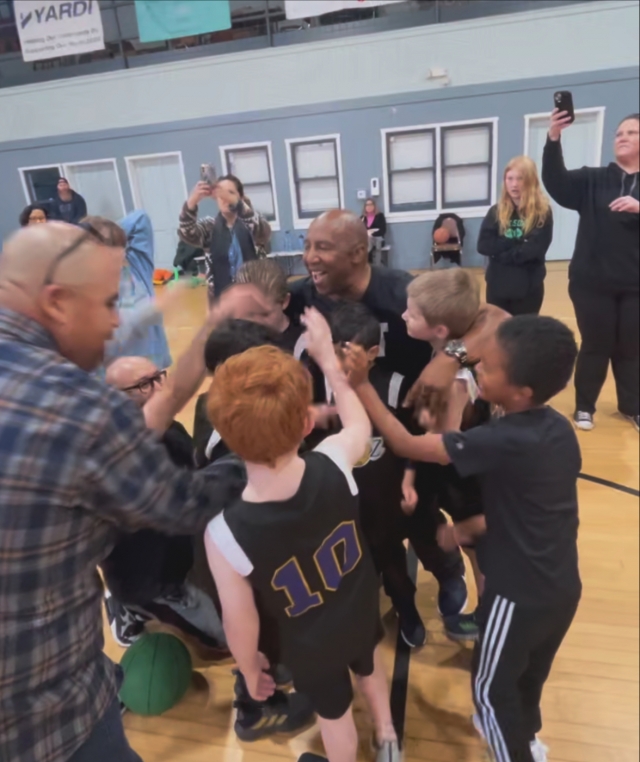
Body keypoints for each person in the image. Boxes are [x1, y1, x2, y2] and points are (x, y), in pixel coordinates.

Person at [0, 222, 270, 762]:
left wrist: (210, 320)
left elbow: (158, 399)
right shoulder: (83, 414)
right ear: (55, 302)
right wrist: (265, 448)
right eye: (106, 303)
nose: (118, 318)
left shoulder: (57, 399)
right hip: (48, 719)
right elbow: (187, 502)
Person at [348, 314, 581, 762]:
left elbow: (405, 443)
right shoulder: (557, 431)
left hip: (515, 595)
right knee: (527, 678)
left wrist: (360, 384)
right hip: (561, 587)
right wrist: (463, 530)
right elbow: (527, 511)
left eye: (488, 369)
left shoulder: (499, 439)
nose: (477, 371)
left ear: (521, 391)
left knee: (490, 693)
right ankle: (526, 737)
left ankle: (516, 752)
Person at [287, 209, 509, 626]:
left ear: (358, 253)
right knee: (372, 522)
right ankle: (383, 589)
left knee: (440, 514)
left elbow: (495, 318)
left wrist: (451, 357)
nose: (309, 257)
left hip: (423, 430)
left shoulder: (402, 291)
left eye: (322, 247)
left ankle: (471, 599)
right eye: (307, 245)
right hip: (359, 436)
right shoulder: (306, 294)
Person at [205, 309, 401, 762]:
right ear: (307, 424)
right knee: (370, 666)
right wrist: (330, 364)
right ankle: (389, 735)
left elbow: (239, 622)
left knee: (335, 720)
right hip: (359, 602)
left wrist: (250, 667)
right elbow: (359, 426)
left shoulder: (224, 534)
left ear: (227, 436)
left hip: (311, 641)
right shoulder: (332, 460)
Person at [345, 269, 492, 642]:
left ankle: (489, 623)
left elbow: (440, 447)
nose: (402, 317)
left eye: (411, 314)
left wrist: (363, 388)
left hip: (468, 478)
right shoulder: (443, 352)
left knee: (481, 554)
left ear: (440, 329)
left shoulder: (452, 382)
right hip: (452, 470)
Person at [328, 301, 430, 647]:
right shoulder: (323, 390)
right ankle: (359, 626)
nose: (339, 363)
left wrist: (409, 479)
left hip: (385, 504)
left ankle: (407, 611)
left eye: (349, 354)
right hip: (341, 508)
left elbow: (416, 444)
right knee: (350, 576)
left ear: (372, 352)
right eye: (333, 352)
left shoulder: (397, 386)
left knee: (394, 568)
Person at [542, 111, 639, 432]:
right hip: (591, 282)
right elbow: (556, 182)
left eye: (631, 132)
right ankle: (585, 406)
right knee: (596, 344)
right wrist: (554, 137)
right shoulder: (593, 179)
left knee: (631, 346)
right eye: (619, 133)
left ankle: (632, 407)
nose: (622, 137)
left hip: (635, 285)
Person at [83, 213, 173, 370]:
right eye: (108, 246)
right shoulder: (84, 287)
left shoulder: (137, 266)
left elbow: (141, 219)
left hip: (154, 372)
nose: (119, 251)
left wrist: (109, 231)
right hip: (121, 380)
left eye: (119, 245)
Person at [178, 174, 272, 304]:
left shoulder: (254, 222)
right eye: (220, 194)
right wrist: (192, 202)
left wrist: (237, 204)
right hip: (221, 303)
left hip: (256, 301)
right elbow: (187, 233)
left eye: (230, 193)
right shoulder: (210, 226)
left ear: (241, 197)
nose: (224, 198)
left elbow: (262, 232)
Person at [478, 156, 553, 315]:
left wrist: (501, 250)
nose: (514, 184)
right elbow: (484, 245)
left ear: (531, 181)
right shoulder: (496, 212)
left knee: (523, 335)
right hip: (498, 287)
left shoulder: (542, 213)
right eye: (510, 178)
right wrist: (516, 242)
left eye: (520, 179)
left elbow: (535, 249)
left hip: (528, 288)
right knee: (499, 334)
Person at [235, 258, 305, 353]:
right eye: (249, 314)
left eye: (264, 314)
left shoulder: (305, 344)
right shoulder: (233, 342)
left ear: (285, 301)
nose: (256, 322)